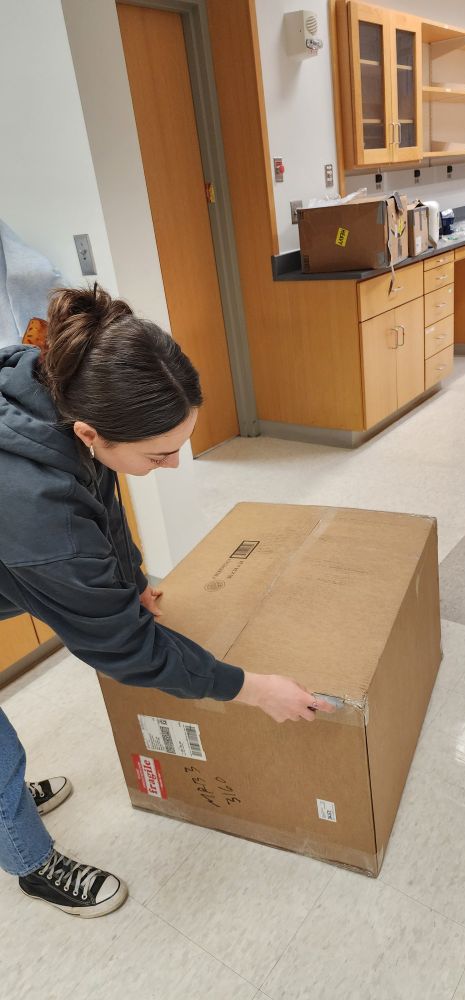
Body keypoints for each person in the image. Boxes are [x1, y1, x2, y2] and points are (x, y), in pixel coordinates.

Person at [0, 285, 333, 918]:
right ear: (92, 431)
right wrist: (254, 689)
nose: (176, 465)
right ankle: (29, 860)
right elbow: (124, 651)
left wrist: (132, 579)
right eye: (160, 454)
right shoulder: (38, 510)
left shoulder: (56, 389)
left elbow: (100, 492)